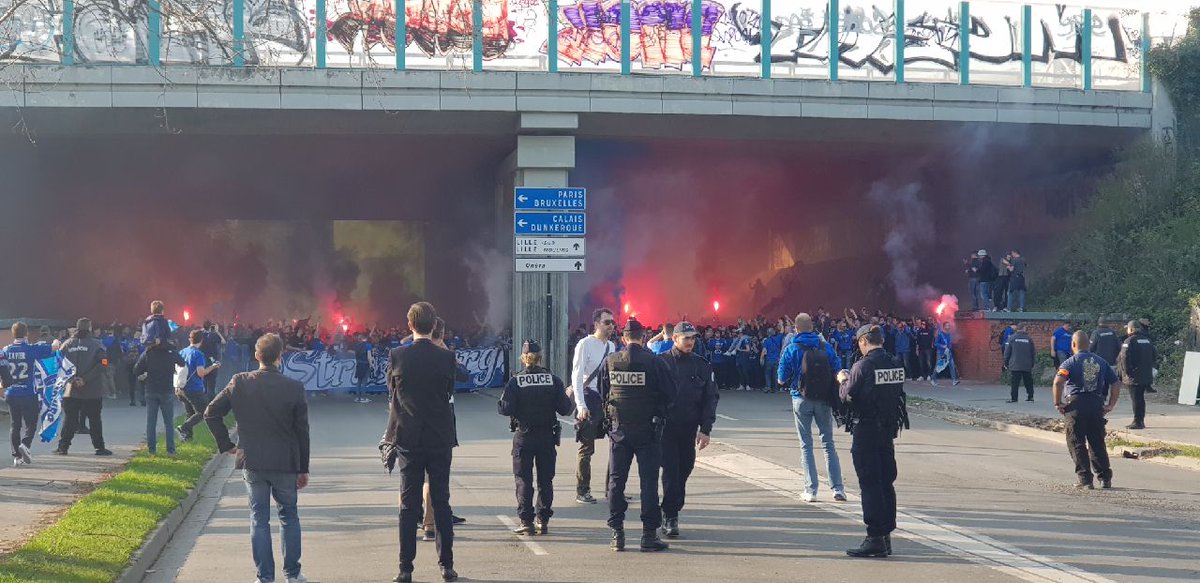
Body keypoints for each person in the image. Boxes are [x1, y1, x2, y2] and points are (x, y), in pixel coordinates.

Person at [205, 333, 311, 583]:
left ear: (256, 356)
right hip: (285, 462)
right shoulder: (294, 388)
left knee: (258, 519)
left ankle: (265, 577)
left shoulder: (240, 382)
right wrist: (303, 468)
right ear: (280, 357)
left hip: (252, 459)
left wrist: (226, 444)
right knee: (289, 516)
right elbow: (302, 432)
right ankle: (292, 574)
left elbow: (211, 413)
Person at [380, 302, 460, 583]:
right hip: (439, 436)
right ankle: (446, 565)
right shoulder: (446, 358)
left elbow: (392, 391)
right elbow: (449, 390)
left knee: (408, 505)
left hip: (408, 437)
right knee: (442, 502)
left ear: (410, 324)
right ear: (434, 326)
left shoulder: (397, 355)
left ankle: (405, 568)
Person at [599, 318, 675, 552]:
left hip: (619, 430)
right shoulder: (654, 362)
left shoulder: (611, 361)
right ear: (643, 337)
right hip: (648, 431)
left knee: (616, 482)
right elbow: (670, 393)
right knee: (648, 483)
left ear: (622, 338)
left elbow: (604, 393)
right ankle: (648, 536)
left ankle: (617, 534)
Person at [837, 325, 907, 558]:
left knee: (870, 483)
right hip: (888, 429)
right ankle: (886, 536)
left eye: (859, 342)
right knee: (886, 481)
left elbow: (846, 395)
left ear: (864, 341)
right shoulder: (895, 362)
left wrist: (843, 379)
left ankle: (874, 537)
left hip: (866, 429)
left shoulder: (863, 365)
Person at [497, 339, 573, 536]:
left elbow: (505, 409)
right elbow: (565, 409)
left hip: (524, 435)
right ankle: (543, 519)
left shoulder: (516, 381)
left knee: (523, 479)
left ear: (523, 359)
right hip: (547, 436)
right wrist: (569, 394)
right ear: (540, 357)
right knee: (545, 480)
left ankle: (526, 521)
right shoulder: (553, 380)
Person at [777, 313, 846, 503]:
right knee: (828, 443)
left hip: (800, 398)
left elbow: (781, 378)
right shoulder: (826, 347)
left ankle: (811, 490)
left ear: (796, 329)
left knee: (806, 445)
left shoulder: (791, 348)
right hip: (823, 399)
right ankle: (838, 489)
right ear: (813, 327)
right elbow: (837, 370)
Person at [658, 322, 718, 538]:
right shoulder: (662, 363)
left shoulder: (701, 365)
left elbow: (710, 398)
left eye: (693, 338)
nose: (691, 342)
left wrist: (706, 429)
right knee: (671, 471)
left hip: (689, 428)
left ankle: (671, 505)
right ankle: (670, 515)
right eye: (686, 338)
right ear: (675, 339)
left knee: (685, 468)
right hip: (666, 428)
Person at [1052, 331, 1121, 489]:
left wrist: (1058, 403)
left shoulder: (1069, 363)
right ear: (1089, 345)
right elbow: (1115, 383)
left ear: (1073, 345)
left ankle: (1085, 479)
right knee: (1097, 441)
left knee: (1076, 442)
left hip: (1076, 405)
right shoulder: (1101, 362)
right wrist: (1110, 404)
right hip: (1096, 404)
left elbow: (1058, 382)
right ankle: (1105, 478)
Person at [569, 308, 616, 505]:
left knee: (617, 444)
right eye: (606, 322)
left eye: (612, 322)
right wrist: (580, 405)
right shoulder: (585, 344)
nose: (611, 326)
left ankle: (612, 489)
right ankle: (583, 490)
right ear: (596, 324)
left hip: (606, 400)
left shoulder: (612, 346)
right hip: (589, 398)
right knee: (587, 448)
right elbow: (577, 376)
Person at [54, 318, 112, 456]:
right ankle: (99, 448)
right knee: (95, 419)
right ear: (90, 328)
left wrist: (71, 379)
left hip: (70, 390)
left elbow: (58, 364)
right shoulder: (97, 345)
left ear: (76, 328)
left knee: (69, 419)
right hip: (92, 391)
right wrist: (85, 379)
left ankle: (63, 447)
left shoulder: (66, 344)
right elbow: (103, 363)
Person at [3, 322, 54, 466]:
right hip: (27, 392)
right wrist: (55, 342)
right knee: (31, 422)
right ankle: (25, 445)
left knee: (15, 424)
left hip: (11, 392)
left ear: (12, 334)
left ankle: (16, 456)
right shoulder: (31, 349)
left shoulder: (5, 350)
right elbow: (53, 349)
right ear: (26, 334)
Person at [133, 337, 185, 456]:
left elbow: (136, 369)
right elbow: (182, 363)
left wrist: (145, 374)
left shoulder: (148, 352)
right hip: (166, 389)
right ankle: (170, 450)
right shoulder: (171, 352)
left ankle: (152, 450)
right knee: (168, 422)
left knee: (151, 421)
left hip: (151, 389)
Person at [176, 330, 221, 442]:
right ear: (201, 340)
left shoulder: (182, 352)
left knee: (190, 412)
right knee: (203, 412)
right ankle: (183, 428)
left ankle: (187, 437)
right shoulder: (198, 354)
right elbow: (201, 373)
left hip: (181, 387)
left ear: (189, 339)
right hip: (194, 388)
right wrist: (213, 367)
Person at [1116, 320, 1156, 430]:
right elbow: (1154, 356)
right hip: (1146, 374)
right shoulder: (1147, 340)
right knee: (1140, 398)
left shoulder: (1129, 341)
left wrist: (1126, 372)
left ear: (1131, 329)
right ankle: (1140, 420)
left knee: (1136, 398)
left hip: (1134, 375)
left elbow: (1124, 357)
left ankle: (1137, 422)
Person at [1003, 325, 1037, 403]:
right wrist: (1032, 363)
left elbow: (1007, 352)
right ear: (1023, 328)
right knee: (1028, 381)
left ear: (1017, 329)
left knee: (1015, 382)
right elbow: (1033, 352)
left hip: (1015, 364)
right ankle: (1030, 396)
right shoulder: (1029, 339)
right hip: (1027, 364)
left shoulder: (1012, 338)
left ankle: (1014, 398)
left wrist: (1006, 362)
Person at [760, 326, 784, 393]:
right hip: (777, 359)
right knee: (775, 374)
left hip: (769, 360)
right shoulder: (778, 338)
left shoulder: (766, 341)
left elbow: (764, 350)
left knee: (767, 374)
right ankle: (776, 388)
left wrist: (761, 358)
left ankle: (768, 387)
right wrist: (781, 324)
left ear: (768, 333)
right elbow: (782, 331)